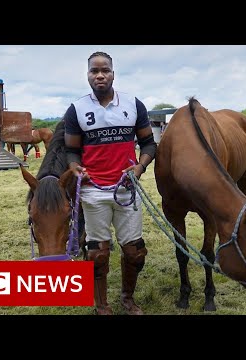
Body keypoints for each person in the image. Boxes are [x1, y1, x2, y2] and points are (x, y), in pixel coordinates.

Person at [64, 51, 157, 315]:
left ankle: (128, 299)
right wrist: (74, 167)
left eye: (105, 70)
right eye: (95, 71)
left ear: (113, 73)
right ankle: (101, 305)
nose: (100, 75)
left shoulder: (133, 104)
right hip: (93, 192)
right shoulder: (77, 109)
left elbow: (149, 143)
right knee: (97, 253)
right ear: (88, 75)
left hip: (126, 190)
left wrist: (139, 167)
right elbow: (71, 149)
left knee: (134, 251)